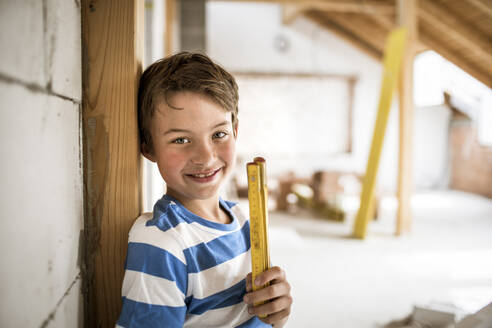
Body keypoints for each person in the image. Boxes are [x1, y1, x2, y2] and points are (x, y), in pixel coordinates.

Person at [116, 52, 292, 327]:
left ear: (235, 130)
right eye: (181, 139)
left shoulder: (242, 219)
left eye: (218, 134)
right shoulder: (161, 244)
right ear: (148, 147)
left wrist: (274, 312)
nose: (205, 156)